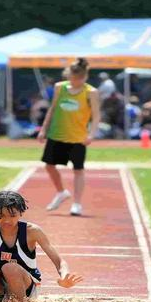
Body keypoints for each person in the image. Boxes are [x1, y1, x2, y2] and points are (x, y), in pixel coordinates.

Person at [37, 58, 101, 217]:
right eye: (73, 78)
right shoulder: (60, 87)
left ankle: (77, 204)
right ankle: (61, 192)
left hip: (77, 137)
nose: (76, 81)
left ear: (85, 77)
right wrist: (43, 129)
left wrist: (91, 134)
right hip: (57, 134)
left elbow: (96, 116)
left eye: (79, 78)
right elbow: (52, 109)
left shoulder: (90, 92)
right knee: (49, 166)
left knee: (78, 170)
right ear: (68, 75)